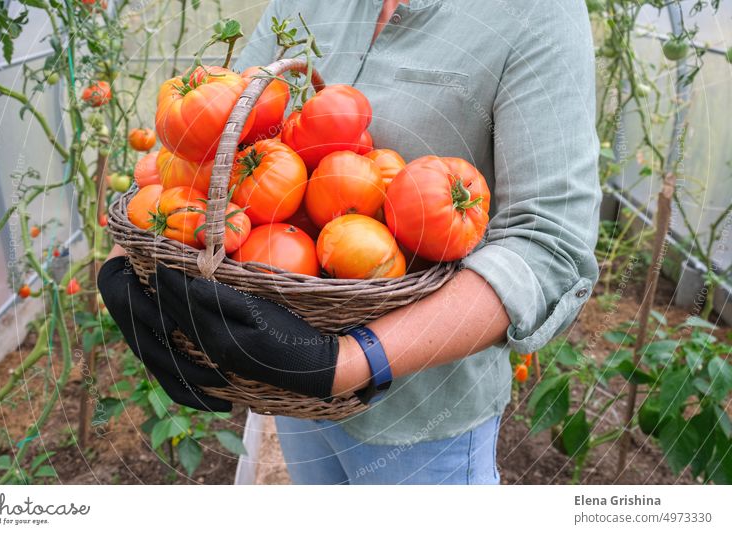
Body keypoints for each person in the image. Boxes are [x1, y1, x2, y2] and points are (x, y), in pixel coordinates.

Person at [98, 0, 601, 485]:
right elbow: (217, 131)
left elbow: (548, 244)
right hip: (288, 387)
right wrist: (128, 260)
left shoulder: (539, 11)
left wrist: (345, 362)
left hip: (423, 419)